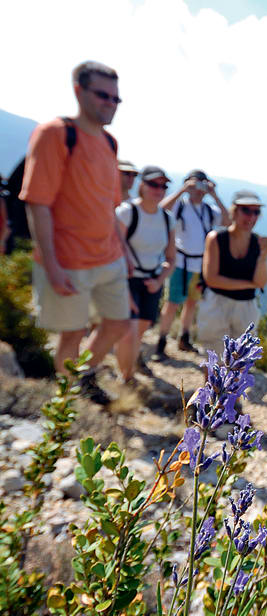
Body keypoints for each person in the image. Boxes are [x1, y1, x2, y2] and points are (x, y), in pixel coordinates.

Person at [20, 60, 131, 403]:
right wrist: (51, 265)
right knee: (72, 335)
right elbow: (37, 203)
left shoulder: (110, 143)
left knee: (118, 322)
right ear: (78, 90)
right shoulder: (55, 134)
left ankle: (83, 377)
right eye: (103, 95)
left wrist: (123, 252)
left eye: (116, 98)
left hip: (108, 256)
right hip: (67, 259)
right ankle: (65, 407)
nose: (110, 103)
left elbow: (108, 205)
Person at [155, 170, 229, 358]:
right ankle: (161, 341)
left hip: (199, 265)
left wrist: (214, 195)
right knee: (172, 304)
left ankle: (184, 337)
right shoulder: (179, 206)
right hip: (179, 263)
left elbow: (228, 221)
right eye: (195, 185)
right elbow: (159, 211)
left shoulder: (209, 210)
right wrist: (182, 190)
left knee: (191, 303)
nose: (198, 190)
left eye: (202, 185)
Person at [114, 166, 176, 381]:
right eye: (153, 184)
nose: (158, 190)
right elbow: (114, 251)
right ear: (142, 185)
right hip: (126, 279)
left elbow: (171, 258)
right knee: (128, 332)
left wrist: (159, 281)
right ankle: (126, 378)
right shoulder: (126, 212)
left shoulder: (168, 219)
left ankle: (127, 370)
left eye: (163, 186)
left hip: (152, 281)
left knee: (139, 331)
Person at [198, 190, 267, 357]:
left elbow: (261, 281)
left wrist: (263, 257)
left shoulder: (259, 243)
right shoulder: (216, 238)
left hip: (245, 308)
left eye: (256, 212)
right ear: (234, 211)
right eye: (246, 210)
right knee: (213, 358)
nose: (251, 217)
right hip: (217, 303)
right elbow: (211, 279)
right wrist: (248, 284)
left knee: (240, 361)